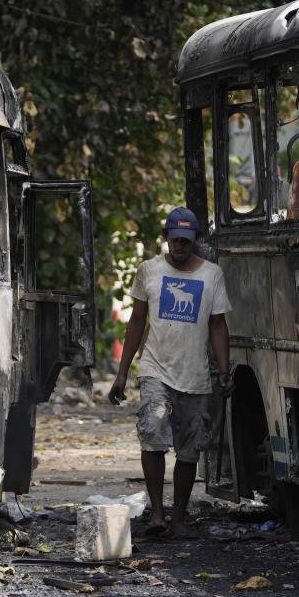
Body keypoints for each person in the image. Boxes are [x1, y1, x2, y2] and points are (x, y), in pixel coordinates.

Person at [108, 206, 233, 537]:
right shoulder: (149, 271)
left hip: (196, 377)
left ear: (195, 240)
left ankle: (178, 518)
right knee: (152, 436)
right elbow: (137, 322)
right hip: (155, 370)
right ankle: (157, 515)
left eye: (186, 241)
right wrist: (122, 373)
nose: (180, 247)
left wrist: (224, 370)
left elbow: (218, 324)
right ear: (165, 238)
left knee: (189, 450)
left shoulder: (211, 275)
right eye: (175, 240)